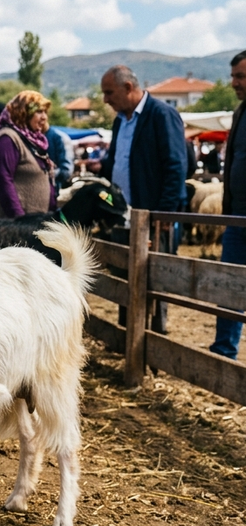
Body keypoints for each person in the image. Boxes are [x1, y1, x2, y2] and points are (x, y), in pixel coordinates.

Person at [99, 64, 187, 334]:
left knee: (154, 278)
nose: (105, 99)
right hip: (123, 214)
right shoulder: (120, 121)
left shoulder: (162, 115)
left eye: (109, 92)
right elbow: (115, 161)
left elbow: (176, 167)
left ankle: (156, 336)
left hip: (151, 217)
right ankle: (128, 334)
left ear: (128, 87)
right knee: (124, 274)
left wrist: (163, 214)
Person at [210, 50, 246, 359]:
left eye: (241, 76)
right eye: (233, 76)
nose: (234, 82)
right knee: (230, 286)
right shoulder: (240, 113)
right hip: (237, 217)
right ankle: (224, 352)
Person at [0, 91, 56, 218]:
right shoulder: (7, 139)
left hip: (32, 223)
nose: (44, 117)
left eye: (45, 112)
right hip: (10, 225)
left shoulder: (32, 141)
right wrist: (19, 219)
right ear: (23, 113)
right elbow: (2, 181)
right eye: (39, 112)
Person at [45, 118, 74, 191]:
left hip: (54, 189)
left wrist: (46, 174)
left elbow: (66, 170)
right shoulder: (30, 136)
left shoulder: (59, 137)